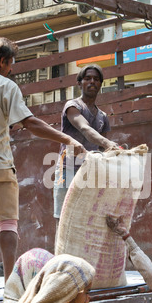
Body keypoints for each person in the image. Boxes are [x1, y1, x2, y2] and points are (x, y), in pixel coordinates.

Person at [0, 37, 86, 281]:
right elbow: (30, 122)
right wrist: (69, 140)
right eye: (10, 63)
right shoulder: (6, 86)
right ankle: (10, 284)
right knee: (8, 224)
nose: (11, 69)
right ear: (2, 61)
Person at [53, 64, 119, 220]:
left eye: (96, 79)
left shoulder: (103, 117)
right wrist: (109, 143)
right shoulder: (73, 106)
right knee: (63, 218)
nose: (92, 82)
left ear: (101, 84)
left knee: (87, 217)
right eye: (87, 78)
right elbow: (84, 128)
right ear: (79, 83)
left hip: (91, 172)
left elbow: (103, 152)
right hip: (67, 169)